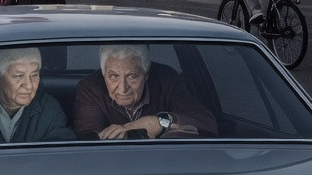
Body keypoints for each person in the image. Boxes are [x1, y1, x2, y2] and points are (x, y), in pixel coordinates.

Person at [72, 44, 217, 140]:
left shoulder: (167, 80)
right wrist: (134, 129)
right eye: (113, 77)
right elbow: (88, 141)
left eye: (132, 76)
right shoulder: (90, 88)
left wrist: (160, 121)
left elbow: (208, 124)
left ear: (146, 74)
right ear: (104, 75)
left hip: (165, 165)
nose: (123, 88)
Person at [0, 46, 75, 144]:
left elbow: (56, 156)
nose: (29, 85)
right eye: (19, 75)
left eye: (34, 75)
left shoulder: (49, 110)